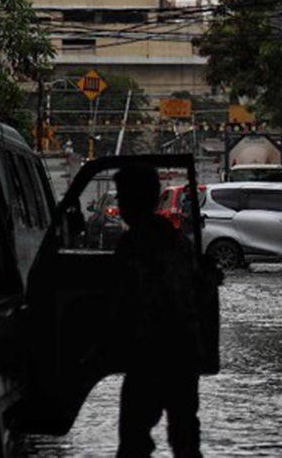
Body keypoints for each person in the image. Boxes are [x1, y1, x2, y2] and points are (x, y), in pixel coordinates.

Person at [113, 165, 204, 458]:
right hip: (184, 354)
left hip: (148, 356)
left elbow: (126, 302)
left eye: (122, 197)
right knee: (185, 440)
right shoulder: (178, 241)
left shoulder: (134, 244)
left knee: (134, 441)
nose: (119, 204)